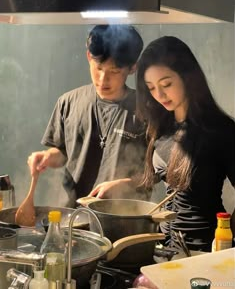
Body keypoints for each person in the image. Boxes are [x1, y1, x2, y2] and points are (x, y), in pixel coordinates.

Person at [27, 24, 147, 208]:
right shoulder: (68, 102)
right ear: (89, 57)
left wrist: (125, 185)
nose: (103, 80)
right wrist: (46, 157)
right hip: (72, 216)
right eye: (98, 68)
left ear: (132, 68)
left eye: (114, 71)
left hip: (125, 218)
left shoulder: (146, 110)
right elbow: (63, 152)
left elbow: (156, 173)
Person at [136, 35, 235, 252]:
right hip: (163, 248)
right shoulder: (162, 124)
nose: (159, 95)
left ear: (188, 77)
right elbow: (157, 177)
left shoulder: (221, 129)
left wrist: (229, 239)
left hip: (202, 250)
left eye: (166, 84)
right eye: (151, 87)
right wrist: (119, 185)